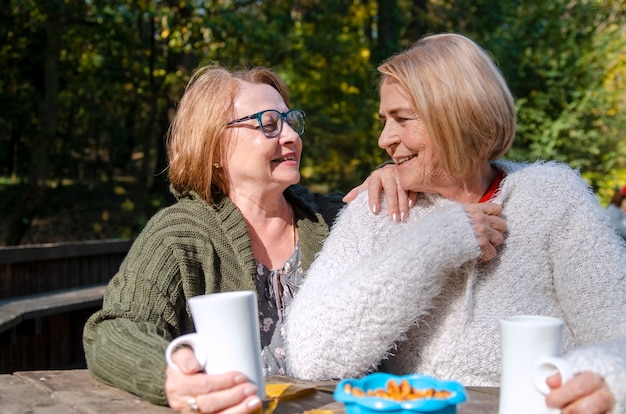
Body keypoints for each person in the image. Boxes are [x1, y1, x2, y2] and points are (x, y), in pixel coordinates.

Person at [285, 33, 626, 414]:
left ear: (456, 114)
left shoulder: (554, 198)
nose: (384, 139)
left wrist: (601, 378)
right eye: (384, 120)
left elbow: (618, 336)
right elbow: (313, 356)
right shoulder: (377, 208)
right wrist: (433, 243)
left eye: (402, 118)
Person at [82, 64, 422, 413]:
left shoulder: (336, 219)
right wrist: (170, 378)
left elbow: (442, 219)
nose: (290, 136)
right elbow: (115, 329)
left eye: (290, 121)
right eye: (269, 124)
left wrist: (398, 178)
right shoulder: (178, 234)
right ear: (213, 149)